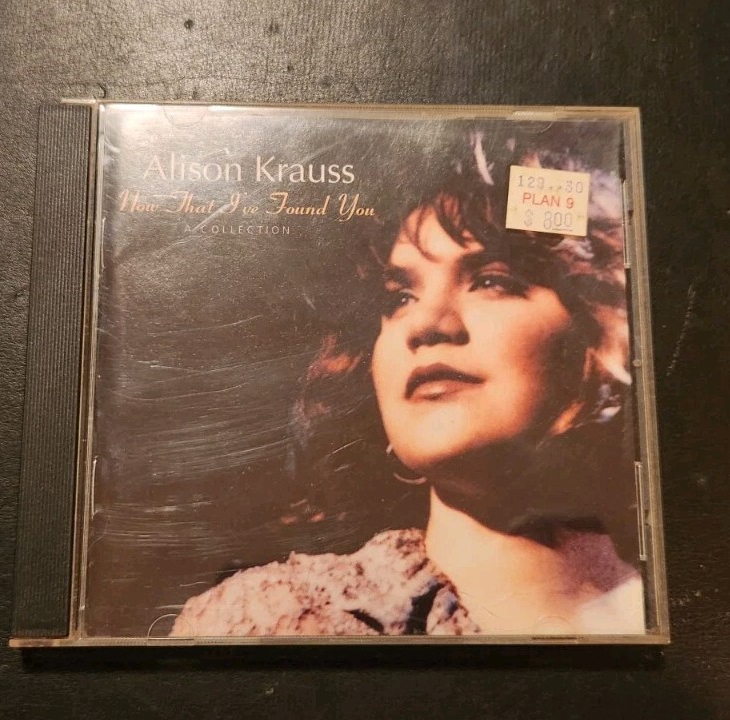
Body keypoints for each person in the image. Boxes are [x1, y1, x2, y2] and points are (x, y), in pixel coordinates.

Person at [170, 124, 645, 637]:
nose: (426, 324)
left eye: (492, 280)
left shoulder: (680, 608)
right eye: (398, 298)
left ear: (605, 326)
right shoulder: (275, 621)